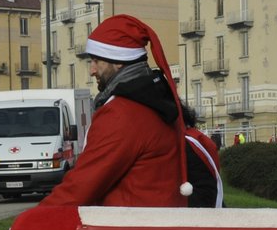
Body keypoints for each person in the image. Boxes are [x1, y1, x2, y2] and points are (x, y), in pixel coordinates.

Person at [38, 14, 191, 210]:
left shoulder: (123, 114)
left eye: (96, 61)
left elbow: (80, 187)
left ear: (118, 61)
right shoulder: (151, 101)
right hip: (153, 225)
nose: (92, 70)